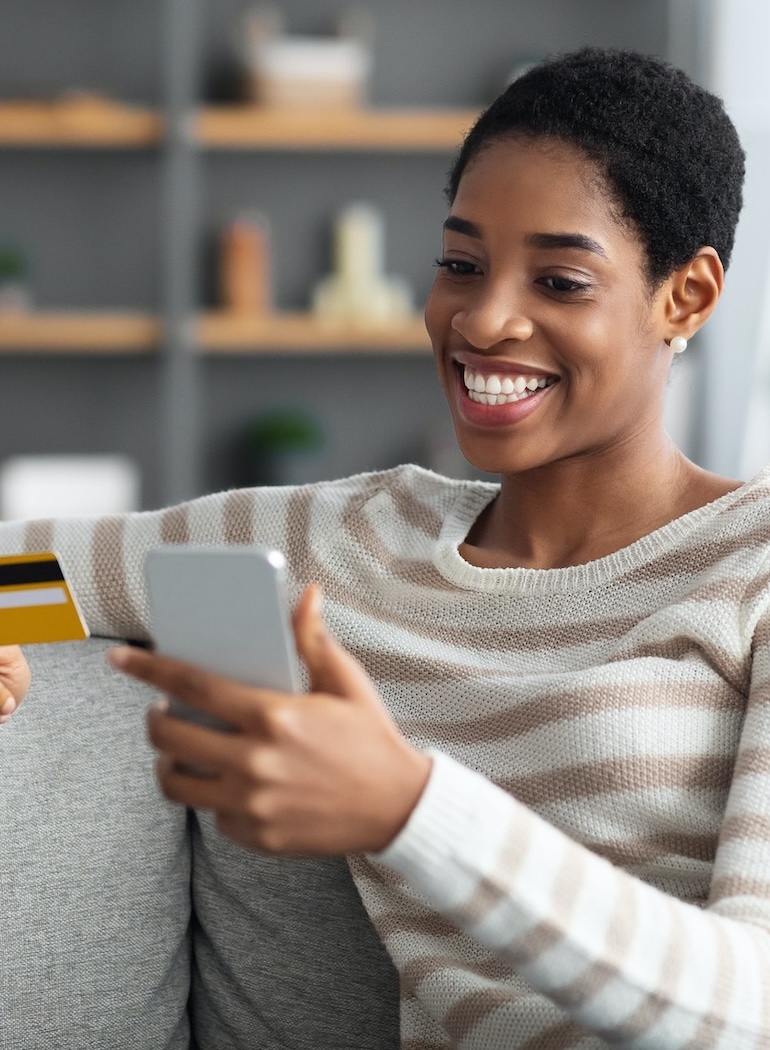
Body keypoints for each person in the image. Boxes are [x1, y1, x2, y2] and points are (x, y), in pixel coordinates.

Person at [1, 45, 768, 1047]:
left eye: (559, 280)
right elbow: (30, 569)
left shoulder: (750, 561)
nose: (483, 319)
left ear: (687, 296)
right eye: (460, 265)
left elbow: (750, 1005)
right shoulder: (357, 541)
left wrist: (410, 810)